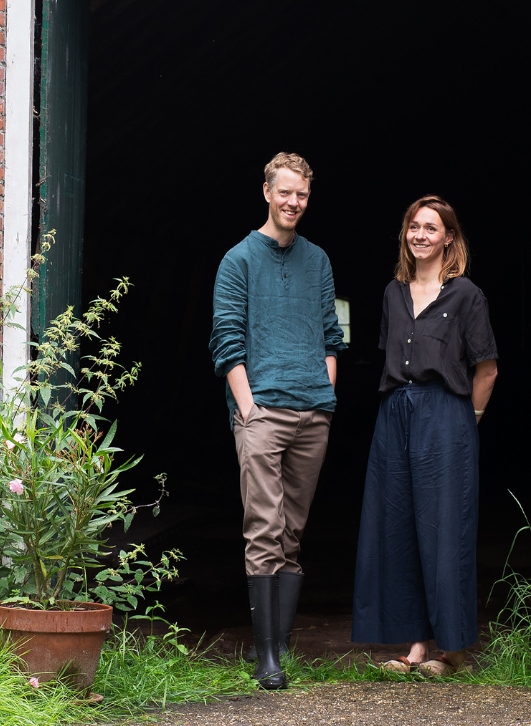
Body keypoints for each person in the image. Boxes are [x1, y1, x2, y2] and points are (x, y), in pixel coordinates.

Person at [209, 152, 347, 690]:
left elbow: (332, 335)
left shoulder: (318, 260)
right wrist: (249, 409)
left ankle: (280, 646)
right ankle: (267, 657)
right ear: (266, 191)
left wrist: (325, 396)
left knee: (292, 533)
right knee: (264, 528)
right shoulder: (238, 260)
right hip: (261, 412)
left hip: (313, 411)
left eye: (303, 195)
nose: (294, 202)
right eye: (285, 192)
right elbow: (226, 342)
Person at [352, 195, 499, 677]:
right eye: (413, 227)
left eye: (431, 228)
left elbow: (487, 368)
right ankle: (416, 646)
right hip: (395, 415)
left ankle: (452, 652)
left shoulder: (466, 295)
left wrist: (467, 418)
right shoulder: (392, 293)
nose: (420, 235)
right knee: (398, 529)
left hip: (445, 415)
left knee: (445, 532)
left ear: (448, 238)